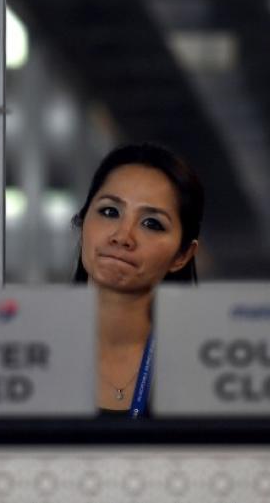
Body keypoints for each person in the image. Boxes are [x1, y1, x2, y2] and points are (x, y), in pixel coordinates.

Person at [72, 143, 204, 418]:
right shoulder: (29, 353)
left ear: (182, 255)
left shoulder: (203, 371)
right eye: (110, 212)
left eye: (151, 223)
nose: (122, 236)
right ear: (83, 222)